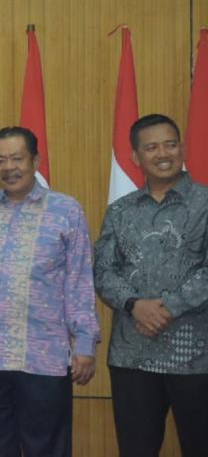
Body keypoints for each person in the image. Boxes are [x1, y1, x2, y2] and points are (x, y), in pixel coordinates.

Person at [0, 126, 100, 457]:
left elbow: (79, 280)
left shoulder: (66, 210)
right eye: (0, 160)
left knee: (47, 449)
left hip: (43, 358)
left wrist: (85, 342)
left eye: (17, 158)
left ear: (35, 161)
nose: (9, 167)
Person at [93, 114, 208, 457]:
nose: (163, 154)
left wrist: (169, 307)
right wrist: (135, 305)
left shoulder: (204, 203)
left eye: (170, 145)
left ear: (182, 148)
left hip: (197, 356)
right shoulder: (120, 211)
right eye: (152, 147)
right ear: (135, 156)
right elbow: (102, 270)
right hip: (132, 355)